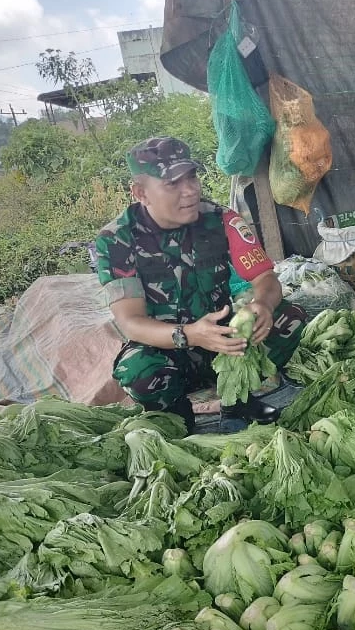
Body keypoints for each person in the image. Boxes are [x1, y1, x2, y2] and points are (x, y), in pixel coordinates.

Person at [94, 136, 306, 433]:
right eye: (173, 184)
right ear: (141, 192)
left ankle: (237, 402)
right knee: (137, 371)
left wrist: (263, 305)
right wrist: (191, 334)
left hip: (224, 339)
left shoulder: (220, 219)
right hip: (168, 345)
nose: (190, 190)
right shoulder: (116, 239)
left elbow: (264, 278)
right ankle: (179, 418)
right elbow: (131, 322)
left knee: (288, 319)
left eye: (192, 177)